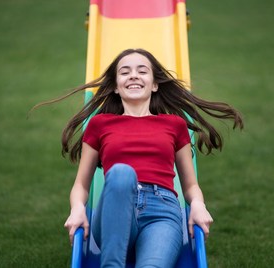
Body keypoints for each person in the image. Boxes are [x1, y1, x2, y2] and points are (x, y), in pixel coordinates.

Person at [31, 48, 243, 267]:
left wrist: (198, 205)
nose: (133, 75)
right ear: (115, 86)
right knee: (122, 173)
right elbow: (81, 186)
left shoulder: (174, 125)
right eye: (124, 72)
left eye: (142, 71)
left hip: (162, 214)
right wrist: (77, 210)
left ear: (154, 84)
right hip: (115, 211)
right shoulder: (100, 124)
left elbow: (190, 186)